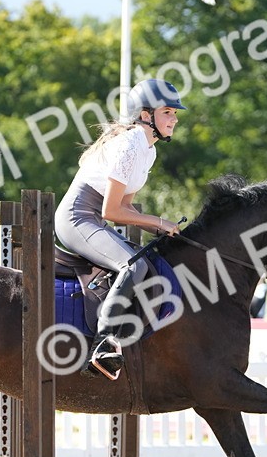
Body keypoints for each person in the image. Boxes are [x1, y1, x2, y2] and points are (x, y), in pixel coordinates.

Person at [54, 78, 185, 378]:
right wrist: (158, 222)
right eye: (168, 112)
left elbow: (121, 211)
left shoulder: (148, 150)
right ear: (145, 114)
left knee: (147, 263)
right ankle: (104, 343)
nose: (175, 118)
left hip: (93, 219)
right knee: (133, 267)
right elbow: (111, 210)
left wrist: (158, 228)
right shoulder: (129, 144)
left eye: (175, 113)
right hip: (77, 218)